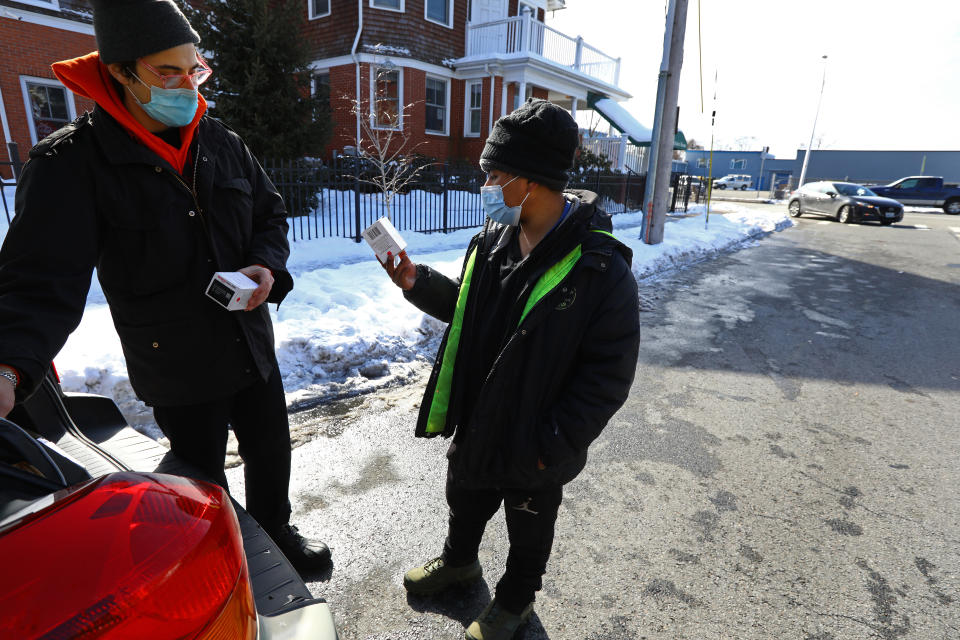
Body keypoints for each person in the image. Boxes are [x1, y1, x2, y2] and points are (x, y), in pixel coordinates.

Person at [0, 0, 330, 573]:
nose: (186, 84)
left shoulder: (220, 140)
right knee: (200, 475)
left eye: (193, 68)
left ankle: (276, 530)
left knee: (271, 451)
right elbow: (38, 280)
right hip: (176, 360)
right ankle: (218, 562)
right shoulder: (73, 163)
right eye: (167, 71)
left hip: (249, 340)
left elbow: (270, 215)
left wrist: (264, 266)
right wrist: (7, 365)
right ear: (121, 72)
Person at [382, 98, 641, 640]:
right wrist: (416, 282)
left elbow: (609, 375)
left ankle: (516, 600)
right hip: (481, 418)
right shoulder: (493, 240)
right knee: (466, 496)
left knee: (529, 524)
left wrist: (553, 442)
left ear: (532, 180)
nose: (486, 186)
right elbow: (469, 311)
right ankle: (459, 563)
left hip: (539, 439)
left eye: (495, 174)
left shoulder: (599, 268)